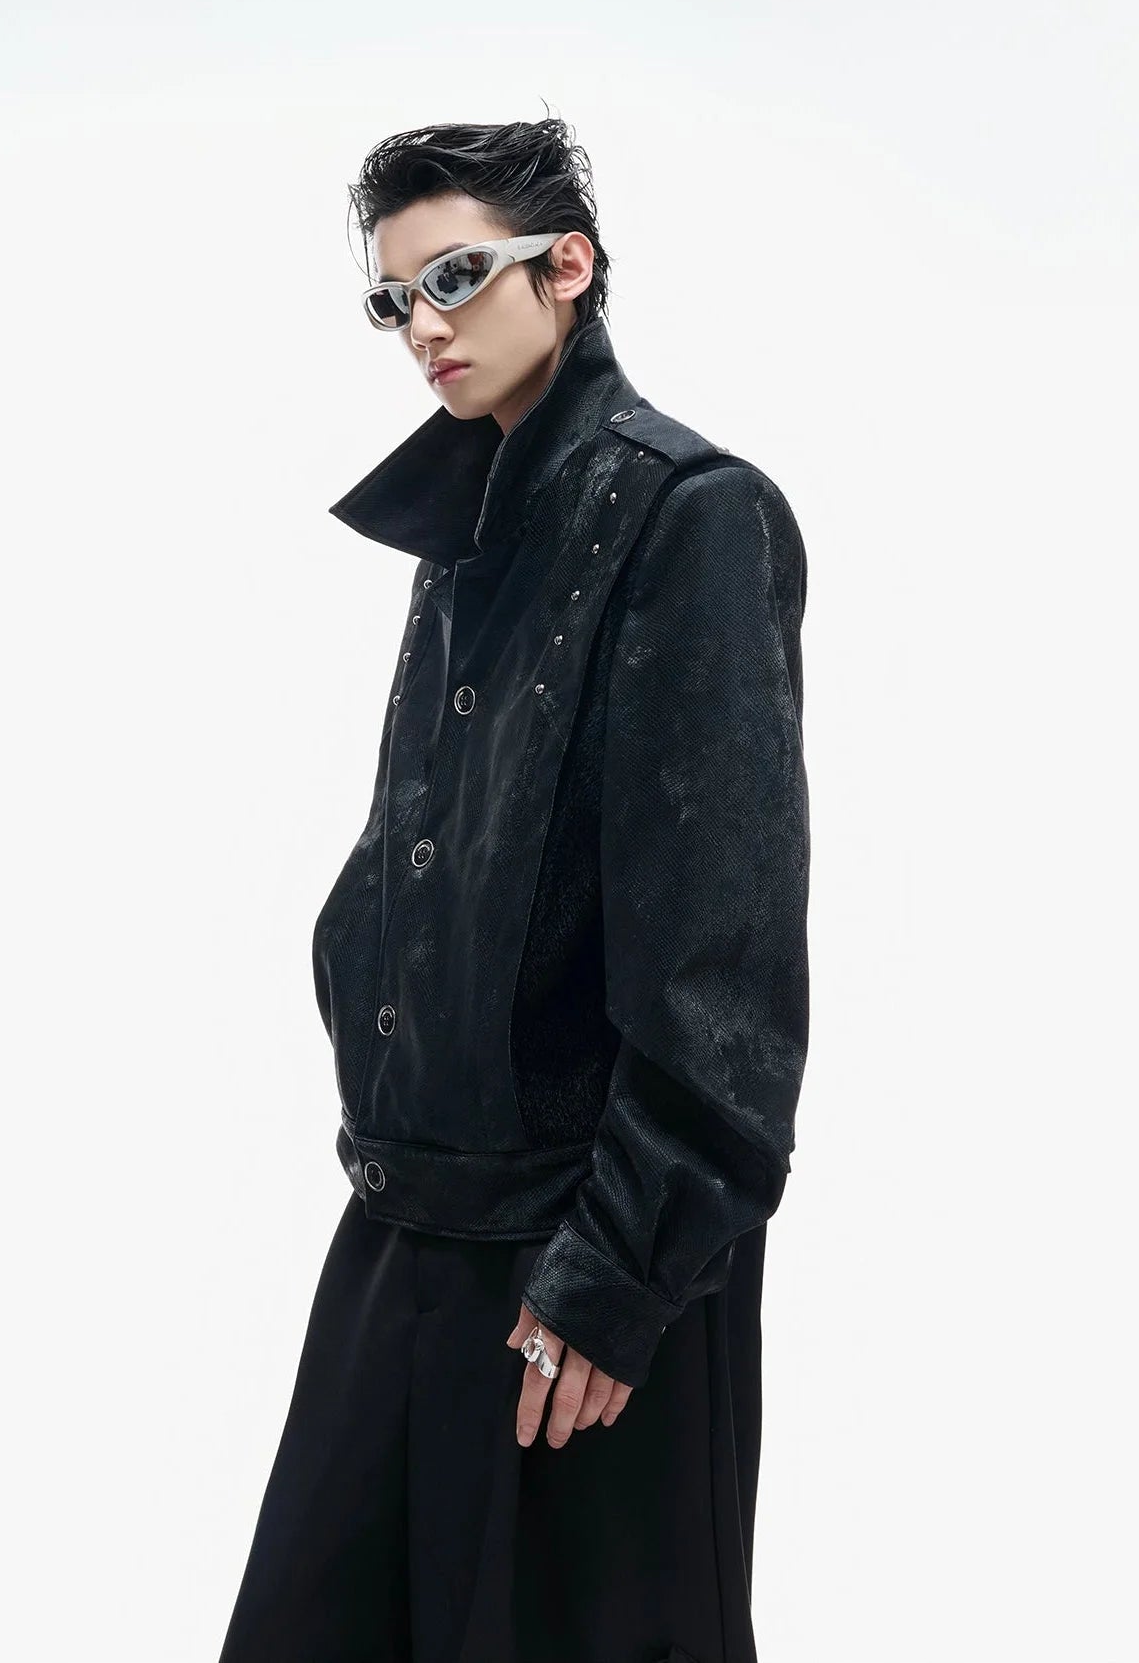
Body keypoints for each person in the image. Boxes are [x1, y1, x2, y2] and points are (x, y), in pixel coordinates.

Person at [217, 114, 810, 1663]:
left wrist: (619, 1270)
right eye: (394, 297)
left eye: (455, 277)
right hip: (408, 1216)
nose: (424, 325)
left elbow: (724, 955)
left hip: (586, 1249)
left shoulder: (692, 514)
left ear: (569, 266)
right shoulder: (468, 524)